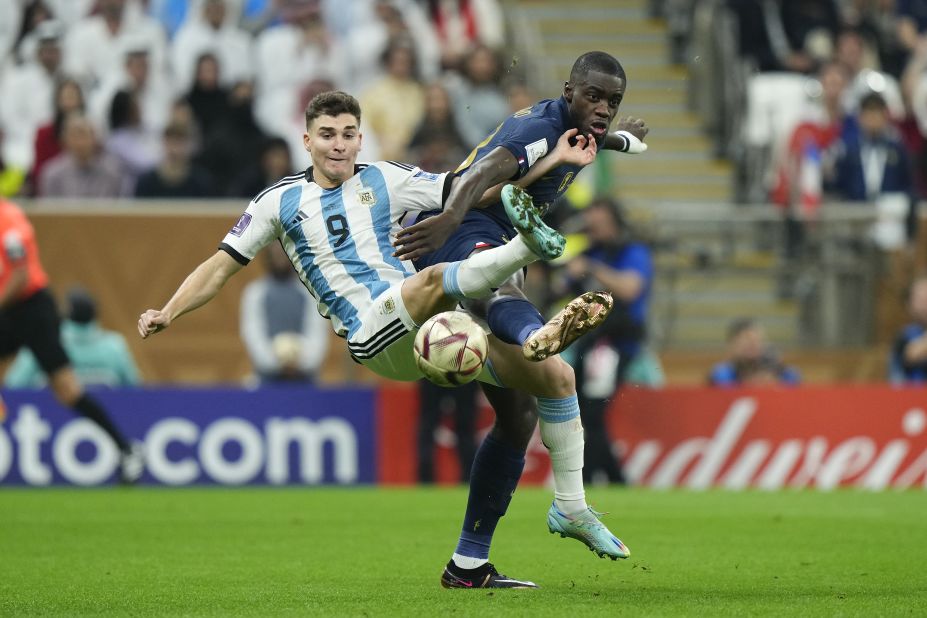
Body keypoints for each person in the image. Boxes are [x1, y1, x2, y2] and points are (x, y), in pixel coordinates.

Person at [138, 90, 626, 589]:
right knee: (433, 278)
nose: (338, 145)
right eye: (327, 135)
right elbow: (220, 267)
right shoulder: (277, 201)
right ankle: (525, 248)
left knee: (554, 378)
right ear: (306, 140)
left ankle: (528, 530)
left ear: (359, 138)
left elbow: (469, 191)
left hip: (431, 324)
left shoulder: (386, 179)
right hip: (373, 333)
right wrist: (169, 310)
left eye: (348, 134)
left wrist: (558, 161)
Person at [392, 51, 647, 577]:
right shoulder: (538, 129)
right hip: (464, 232)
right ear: (569, 90)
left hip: (494, 235)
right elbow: (483, 171)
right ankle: (537, 332)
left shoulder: (579, 127)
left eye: (613, 103)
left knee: (518, 417)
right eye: (594, 97)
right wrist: (445, 222)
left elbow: (596, 137)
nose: (603, 109)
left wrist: (626, 138)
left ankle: (468, 563)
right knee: (505, 294)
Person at [0, 199, 143, 481]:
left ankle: (126, 449)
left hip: (32, 309)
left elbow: (20, 273)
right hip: (8, 308)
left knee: (66, 389)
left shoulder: (8, 218)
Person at [560, 197, 653, 484]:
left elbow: (630, 289)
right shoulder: (591, 253)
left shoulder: (632, 252)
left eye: (598, 221)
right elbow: (561, 290)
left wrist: (590, 268)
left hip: (616, 343)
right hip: (591, 342)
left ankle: (606, 479)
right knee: (587, 410)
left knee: (592, 410)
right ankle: (607, 480)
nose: (592, 227)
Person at [6, 286, 140, 388]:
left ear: (64, 313)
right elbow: (134, 389)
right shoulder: (114, 347)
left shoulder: (43, 342)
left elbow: (14, 385)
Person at [239, 242, 329, 383]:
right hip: (266, 380)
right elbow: (253, 335)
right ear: (268, 257)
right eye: (276, 254)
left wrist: (298, 362)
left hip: (305, 380)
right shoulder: (255, 293)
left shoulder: (310, 293)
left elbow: (317, 335)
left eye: (284, 253)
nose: (280, 257)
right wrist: (278, 362)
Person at [708, 318, 801, 386]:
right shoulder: (722, 374)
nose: (753, 344)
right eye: (746, 339)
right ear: (732, 344)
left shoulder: (781, 371)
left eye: (757, 340)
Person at [890, 275, 927, 384]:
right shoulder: (905, 335)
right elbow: (910, 355)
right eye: (920, 299)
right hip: (910, 395)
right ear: (910, 304)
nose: (925, 304)